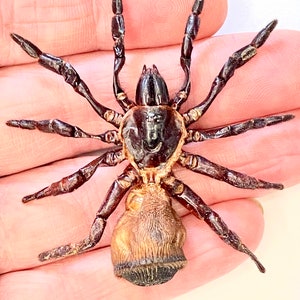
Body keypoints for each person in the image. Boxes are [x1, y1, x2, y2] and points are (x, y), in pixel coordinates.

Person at [0, 0, 299, 298]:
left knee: (97, 228)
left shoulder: (119, 136)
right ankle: (245, 247)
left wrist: (41, 180)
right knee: (208, 211)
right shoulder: (184, 135)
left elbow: (69, 90)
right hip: (153, 216)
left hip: (145, 214)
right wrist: (265, 170)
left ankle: (245, 247)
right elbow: (228, 91)